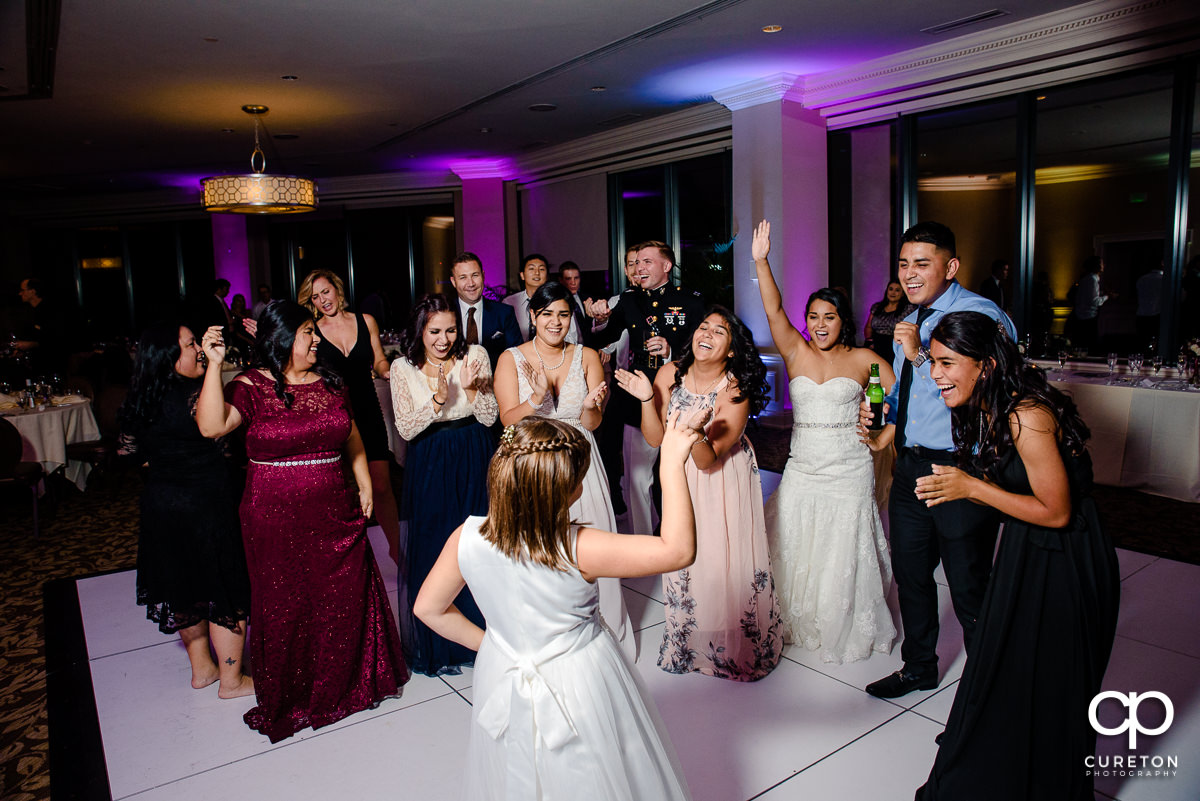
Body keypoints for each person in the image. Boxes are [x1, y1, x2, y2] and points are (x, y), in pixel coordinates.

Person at [413, 416, 698, 801]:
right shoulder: (579, 547)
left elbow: (428, 609)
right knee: (591, 768)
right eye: (579, 480)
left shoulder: (464, 538)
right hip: (578, 676)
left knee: (515, 767)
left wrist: (500, 648)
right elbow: (678, 550)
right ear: (563, 493)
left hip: (504, 670)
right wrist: (672, 461)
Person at [913, 311, 1119, 800]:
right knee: (1009, 673)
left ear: (984, 365)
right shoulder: (984, 405)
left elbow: (1056, 511)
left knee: (1050, 686)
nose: (934, 373)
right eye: (932, 361)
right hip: (1029, 551)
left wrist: (971, 488)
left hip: (1067, 558)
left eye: (946, 362)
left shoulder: (1026, 413)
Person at [196, 301, 408, 742]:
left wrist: (364, 479)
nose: (316, 339)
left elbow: (348, 431)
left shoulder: (329, 380)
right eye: (308, 332)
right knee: (286, 604)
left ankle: (348, 683)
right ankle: (296, 690)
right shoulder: (250, 386)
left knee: (343, 596)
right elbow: (212, 426)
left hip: (335, 509)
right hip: (273, 517)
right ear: (280, 339)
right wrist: (213, 368)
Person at [862, 221, 1015, 699]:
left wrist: (920, 354)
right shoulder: (912, 318)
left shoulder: (979, 314)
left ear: (950, 267)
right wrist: (884, 408)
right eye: (904, 263)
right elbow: (911, 393)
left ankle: (988, 691)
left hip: (959, 469)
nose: (909, 273)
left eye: (921, 264)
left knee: (969, 583)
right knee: (911, 575)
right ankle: (919, 667)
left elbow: (989, 392)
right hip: (909, 465)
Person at [751, 221, 897, 664]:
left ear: (843, 321)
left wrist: (885, 432)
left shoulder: (863, 360)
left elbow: (902, 398)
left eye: (828, 317)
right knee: (793, 536)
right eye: (813, 316)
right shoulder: (796, 351)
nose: (819, 325)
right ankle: (797, 617)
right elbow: (774, 311)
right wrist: (761, 261)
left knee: (842, 545)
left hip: (849, 465)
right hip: (802, 464)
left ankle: (841, 620)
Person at [616, 305, 782, 681]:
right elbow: (656, 439)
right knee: (685, 554)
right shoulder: (669, 373)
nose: (706, 334)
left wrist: (693, 433)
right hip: (678, 474)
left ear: (733, 349)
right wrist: (647, 400)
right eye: (703, 326)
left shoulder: (734, 389)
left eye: (718, 332)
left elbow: (708, 460)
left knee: (722, 555)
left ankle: (734, 646)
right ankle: (689, 639)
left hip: (721, 477)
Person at [494, 281, 635, 659]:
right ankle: (545, 637)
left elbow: (591, 423)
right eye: (547, 314)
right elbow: (507, 420)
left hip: (581, 461)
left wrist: (592, 405)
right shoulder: (511, 358)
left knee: (591, 547)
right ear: (533, 316)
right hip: (534, 462)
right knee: (540, 550)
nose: (555, 322)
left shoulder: (587, 355)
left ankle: (602, 635)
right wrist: (537, 397)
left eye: (563, 314)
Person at [119, 321, 253, 699]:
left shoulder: (141, 396)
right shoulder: (196, 395)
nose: (197, 349)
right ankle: (231, 680)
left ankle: (203, 671)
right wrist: (217, 368)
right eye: (190, 343)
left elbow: (128, 452)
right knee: (224, 588)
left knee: (183, 586)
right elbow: (222, 435)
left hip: (161, 505)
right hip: (205, 505)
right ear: (167, 355)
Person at [389, 293, 497, 675]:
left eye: (450, 329)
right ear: (420, 330)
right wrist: (437, 399)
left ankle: (488, 634)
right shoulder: (402, 367)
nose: (444, 338)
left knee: (480, 542)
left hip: (474, 451)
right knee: (437, 542)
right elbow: (405, 427)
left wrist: (470, 389)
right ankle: (442, 641)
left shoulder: (476, 356)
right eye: (435, 331)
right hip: (431, 458)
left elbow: (488, 418)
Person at [590, 241, 706, 536]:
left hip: (678, 396)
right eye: (637, 262)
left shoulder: (691, 301)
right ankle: (644, 539)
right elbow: (604, 337)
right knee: (638, 477)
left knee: (677, 473)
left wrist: (672, 353)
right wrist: (598, 318)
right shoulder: (628, 301)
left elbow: (705, 348)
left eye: (647, 262)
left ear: (666, 266)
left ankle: (676, 533)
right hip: (636, 398)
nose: (639, 268)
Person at [299, 269, 401, 564]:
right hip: (335, 416)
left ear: (337, 289)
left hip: (368, 410)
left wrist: (387, 370)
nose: (322, 300)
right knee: (344, 492)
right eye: (315, 297)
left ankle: (396, 549)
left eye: (325, 292)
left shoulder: (365, 321)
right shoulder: (312, 331)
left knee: (381, 485)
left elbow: (379, 358)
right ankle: (348, 557)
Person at [449, 252, 522, 368]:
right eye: (463, 277)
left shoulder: (504, 313)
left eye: (475, 275)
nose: (471, 283)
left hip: (495, 382)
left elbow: (516, 356)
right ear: (453, 282)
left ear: (483, 276)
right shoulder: (444, 312)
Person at [503, 253, 582, 343]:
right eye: (531, 269)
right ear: (522, 275)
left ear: (547, 275)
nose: (537, 273)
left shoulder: (561, 300)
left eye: (541, 269)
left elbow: (573, 336)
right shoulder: (509, 303)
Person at [1066, 256, 1110, 355]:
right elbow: (1094, 301)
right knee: (1089, 347)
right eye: (1102, 264)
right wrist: (1107, 296)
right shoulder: (1092, 280)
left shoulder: (1085, 279)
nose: (1104, 266)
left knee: (1082, 346)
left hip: (1081, 317)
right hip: (1088, 318)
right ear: (1097, 266)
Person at [863, 279, 915, 361]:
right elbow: (868, 327)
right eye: (891, 289)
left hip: (895, 348)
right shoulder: (877, 307)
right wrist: (869, 341)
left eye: (897, 290)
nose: (893, 293)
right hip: (875, 346)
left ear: (902, 294)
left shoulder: (908, 309)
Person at [559, 260, 597, 347]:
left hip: (588, 350)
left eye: (576, 278)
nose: (573, 282)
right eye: (568, 279)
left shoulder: (588, 299)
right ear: (561, 280)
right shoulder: (557, 303)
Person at [1135, 261, 1164, 351]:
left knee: (1142, 343)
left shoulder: (1142, 279)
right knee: (1156, 345)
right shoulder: (1164, 279)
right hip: (1156, 315)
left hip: (1142, 315)